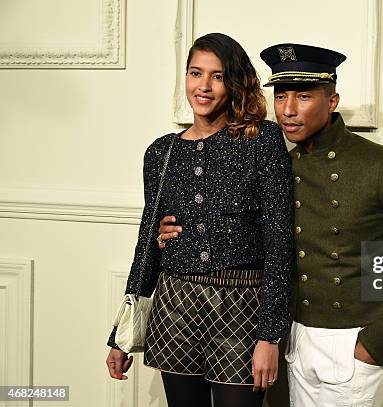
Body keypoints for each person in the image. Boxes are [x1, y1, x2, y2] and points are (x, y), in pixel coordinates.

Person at [159, 43, 383, 407]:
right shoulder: (275, 161)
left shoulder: (382, 165)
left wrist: (379, 341)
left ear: (333, 100)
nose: (288, 111)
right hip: (284, 339)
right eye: (281, 97)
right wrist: (167, 233)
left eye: (304, 97)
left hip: (352, 343)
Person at [105, 33, 294, 407]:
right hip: (175, 303)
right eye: (195, 73)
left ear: (235, 83)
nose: (203, 86)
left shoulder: (262, 140)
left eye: (217, 76)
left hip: (241, 306)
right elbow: (147, 243)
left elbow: (279, 239)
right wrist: (120, 336)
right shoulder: (161, 151)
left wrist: (270, 336)